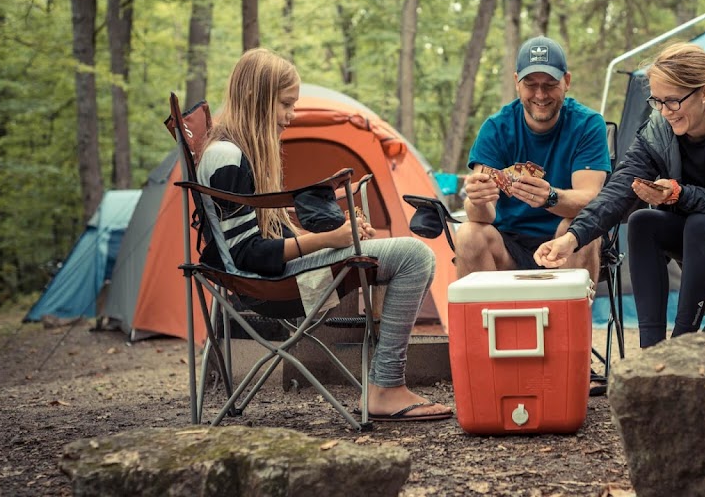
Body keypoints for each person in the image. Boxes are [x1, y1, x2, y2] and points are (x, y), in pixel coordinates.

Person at [197, 48, 452, 422]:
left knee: (408, 255)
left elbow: (263, 235)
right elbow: (246, 254)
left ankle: (386, 385)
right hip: (266, 285)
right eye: (285, 104)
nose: (291, 115)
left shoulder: (238, 153)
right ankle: (385, 388)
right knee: (415, 257)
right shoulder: (226, 156)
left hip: (274, 277)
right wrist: (332, 240)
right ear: (255, 96)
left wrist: (340, 232)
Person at [535, 42, 705, 348]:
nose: (664, 112)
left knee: (700, 224)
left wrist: (679, 195)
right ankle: (651, 350)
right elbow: (618, 189)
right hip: (693, 232)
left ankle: (683, 344)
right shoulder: (659, 127)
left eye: (672, 101)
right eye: (657, 101)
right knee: (643, 222)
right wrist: (572, 238)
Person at [457, 36, 610, 285]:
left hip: (563, 243)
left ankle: (572, 311)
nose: (540, 94)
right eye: (530, 84)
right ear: (517, 82)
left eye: (550, 84)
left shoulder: (588, 124)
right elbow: (481, 216)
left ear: (567, 81)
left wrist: (550, 197)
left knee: (580, 227)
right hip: (508, 245)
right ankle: (486, 311)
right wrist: (476, 199)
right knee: (468, 233)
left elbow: (591, 201)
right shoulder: (496, 128)